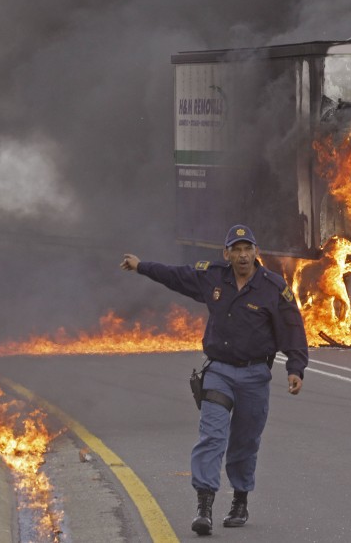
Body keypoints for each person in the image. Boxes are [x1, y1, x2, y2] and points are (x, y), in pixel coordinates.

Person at [120, 224, 309, 535]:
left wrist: (295, 369)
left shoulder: (274, 288)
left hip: (254, 375)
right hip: (219, 371)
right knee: (212, 436)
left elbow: (292, 329)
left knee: (245, 442)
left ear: (256, 253)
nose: (243, 255)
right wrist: (142, 267)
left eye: (248, 249)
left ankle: (240, 500)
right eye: (236, 249)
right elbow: (176, 275)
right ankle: (204, 506)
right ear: (227, 254)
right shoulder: (213, 276)